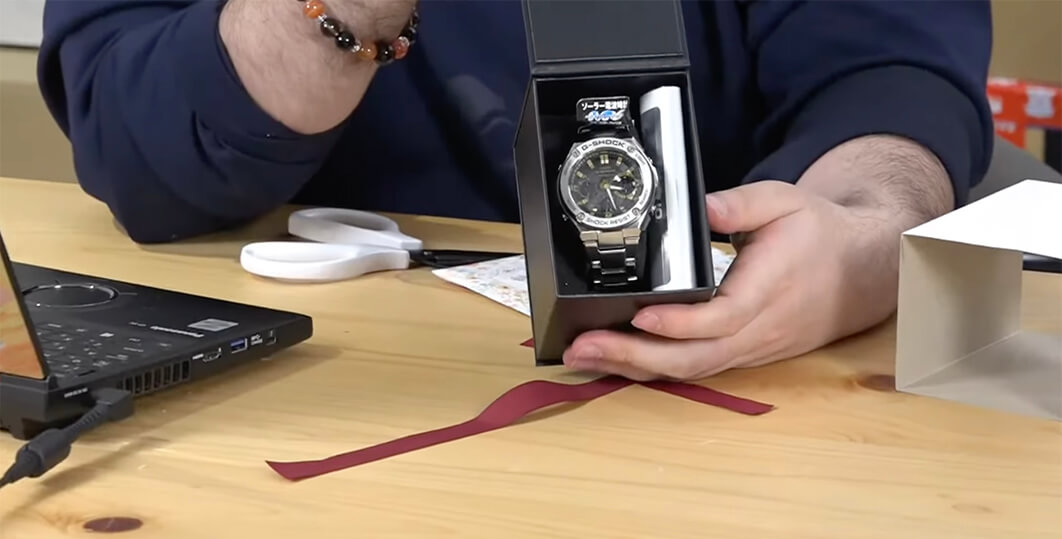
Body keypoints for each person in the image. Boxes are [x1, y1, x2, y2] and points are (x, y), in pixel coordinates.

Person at [36, 0, 995, 382]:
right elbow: (140, 155)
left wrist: (868, 234)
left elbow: (891, 80)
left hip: (724, 386)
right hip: (332, 376)